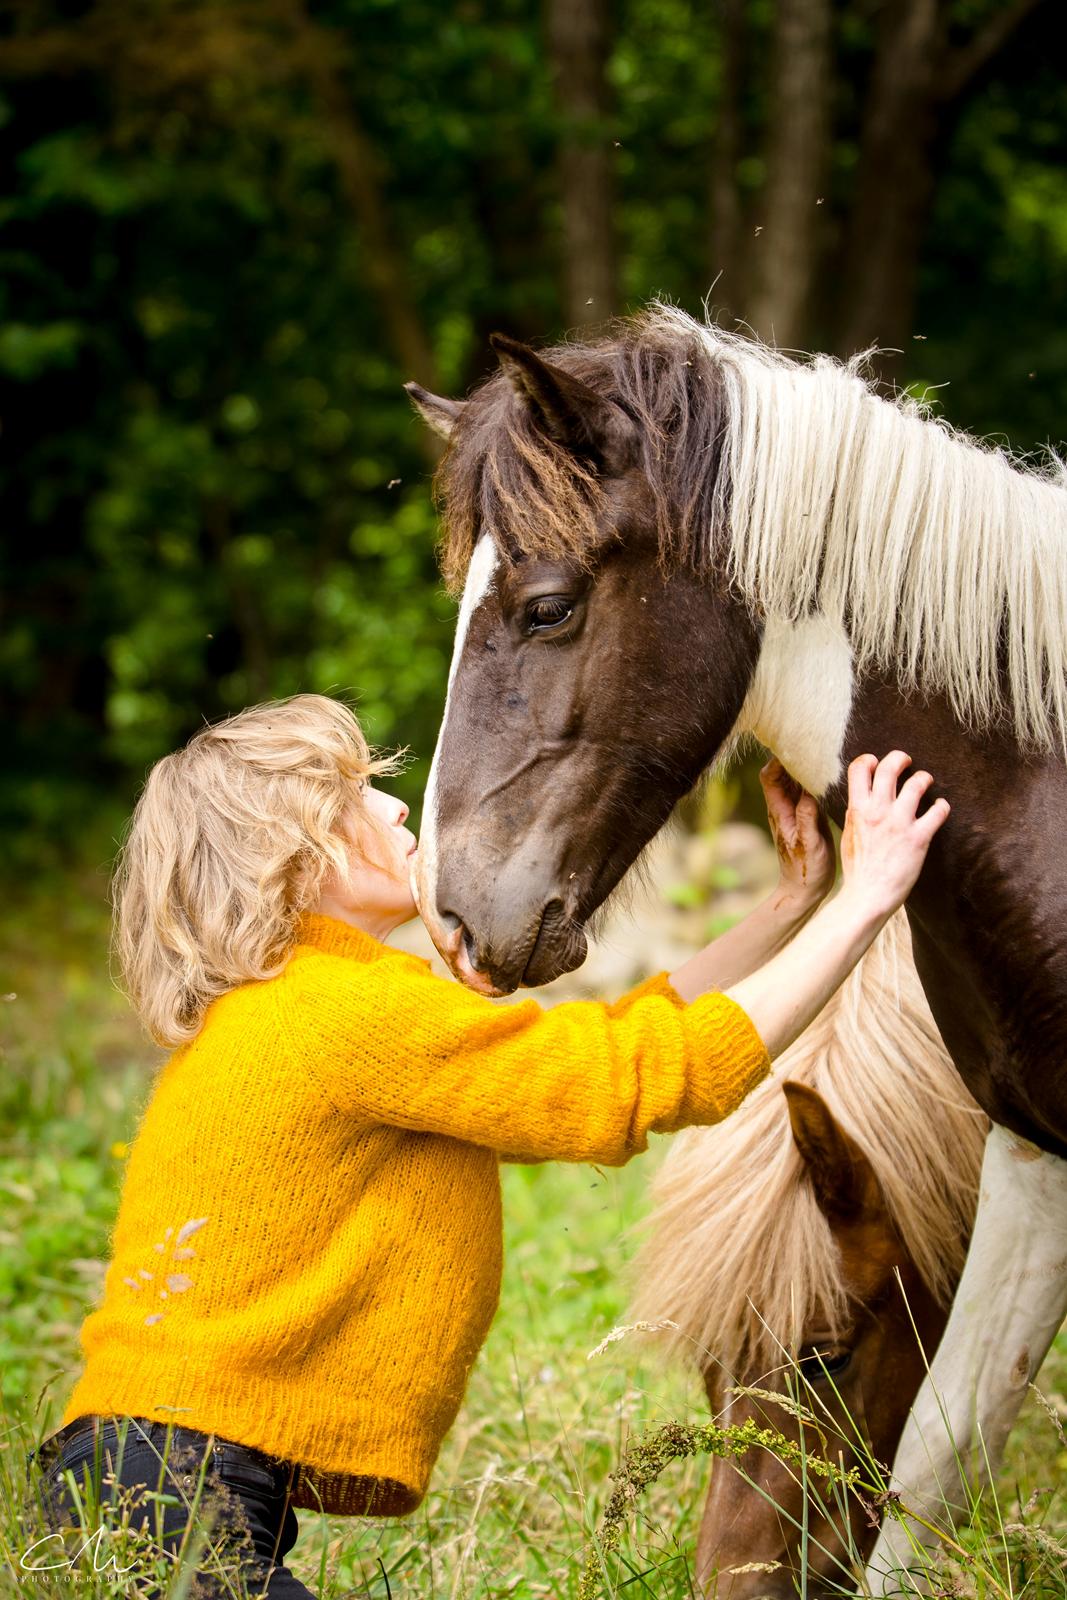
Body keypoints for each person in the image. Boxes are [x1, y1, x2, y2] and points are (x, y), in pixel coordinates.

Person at [24, 693, 948, 1597]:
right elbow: (636, 1081)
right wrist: (863, 902)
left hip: (128, 1480)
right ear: (292, 855)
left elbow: (602, 1048)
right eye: (352, 794)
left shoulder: (293, 1009)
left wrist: (793, 903)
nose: (394, 804)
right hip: (170, 1488)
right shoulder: (345, 1013)